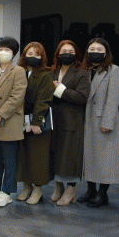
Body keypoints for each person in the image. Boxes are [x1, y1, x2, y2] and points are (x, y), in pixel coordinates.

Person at [77, 38, 119, 207]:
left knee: (105, 158)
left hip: (102, 120)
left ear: (106, 52)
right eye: (92, 49)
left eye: (99, 49)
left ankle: (102, 193)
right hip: (86, 119)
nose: (95, 52)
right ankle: (90, 190)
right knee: (89, 157)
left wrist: (107, 122)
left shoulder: (114, 70)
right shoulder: (84, 70)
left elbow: (113, 100)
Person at [0, 37, 27, 207]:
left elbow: (17, 96)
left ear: (13, 52)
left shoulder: (19, 71)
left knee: (9, 160)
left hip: (9, 121)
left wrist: (0, 114)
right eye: (0, 49)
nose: (3, 52)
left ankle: (7, 192)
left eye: (7, 50)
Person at [50, 40, 91, 205]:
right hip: (54, 119)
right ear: (58, 54)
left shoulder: (82, 73)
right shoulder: (52, 71)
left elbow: (82, 97)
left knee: (70, 156)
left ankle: (71, 189)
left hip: (72, 120)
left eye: (70, 52)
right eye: (63, 51)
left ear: (76, 55)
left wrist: (60, 89)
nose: (67, 54)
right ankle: (58, 186)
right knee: (55, 154)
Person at [16, 42, 54, 205]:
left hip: (38, 119)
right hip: (19, 119)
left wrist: (37, 122)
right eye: (29, 54)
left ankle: (38, 189)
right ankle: (26, 187)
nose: (33, 57)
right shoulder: (19, 71)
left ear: (42, 57)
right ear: (24, 55)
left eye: (37, 54)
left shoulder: (46, 74)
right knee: (22, 154)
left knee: (37, 155)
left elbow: (43, 100)